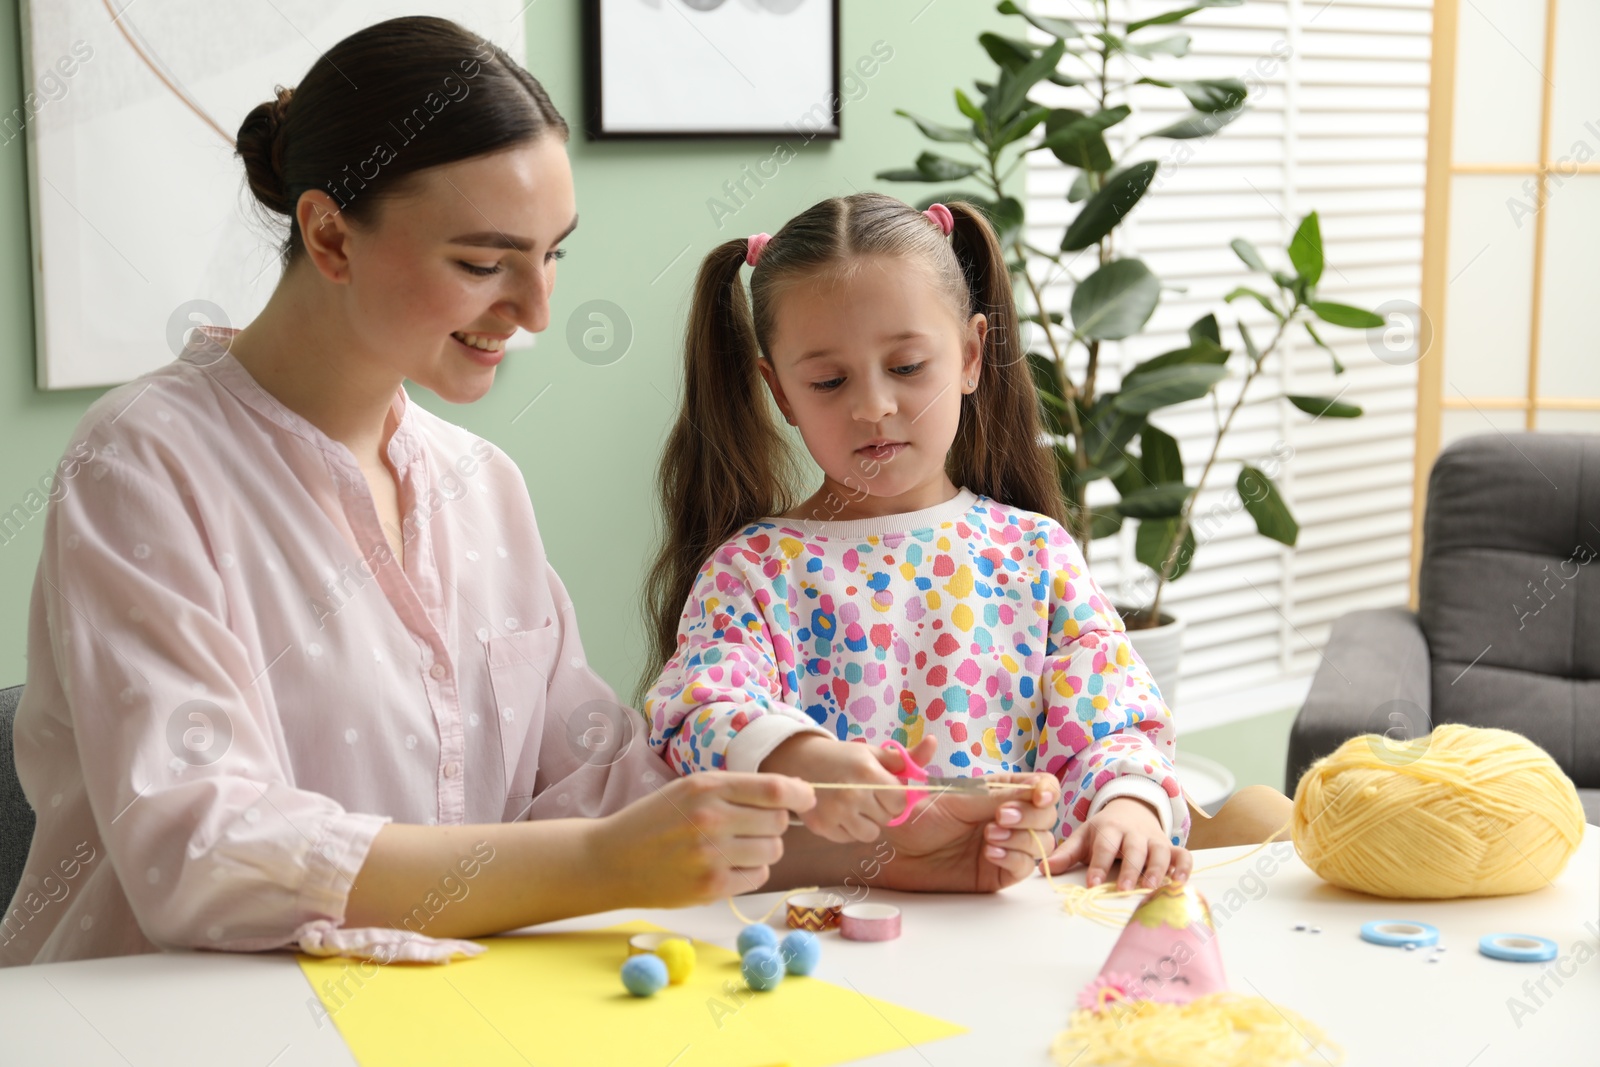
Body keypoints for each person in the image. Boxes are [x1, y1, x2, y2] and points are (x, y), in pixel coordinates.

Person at [0, 18, 1062, 968]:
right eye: (483, 261)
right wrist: (598, 864)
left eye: (552, 255)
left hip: (449, 1006)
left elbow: (600, 782)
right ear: (329, 234)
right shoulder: (141, 462)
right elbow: (202, 848)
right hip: (163, 1015)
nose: (538, 309)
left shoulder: (478, 485)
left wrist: (889, 841)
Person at [640, 193, 1293, 894]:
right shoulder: (752, 572)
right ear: (781, 392)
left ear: (972, 355)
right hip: (822, 938)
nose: (873, 406)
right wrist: (807, 760)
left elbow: (1112, 718)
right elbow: (696, 707)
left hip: (1007, 935)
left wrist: (1128, 805)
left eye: (908, 367)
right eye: (829, 381)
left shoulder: (1035, 554)